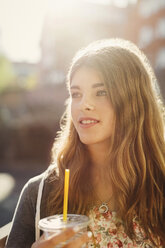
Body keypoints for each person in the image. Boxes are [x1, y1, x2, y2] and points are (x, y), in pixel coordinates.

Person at [6, 38, 165, 248]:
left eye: (101, 92)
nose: (84, 104)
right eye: (76, 94)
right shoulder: (39, 193)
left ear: (134, 101)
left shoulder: (159, 184)